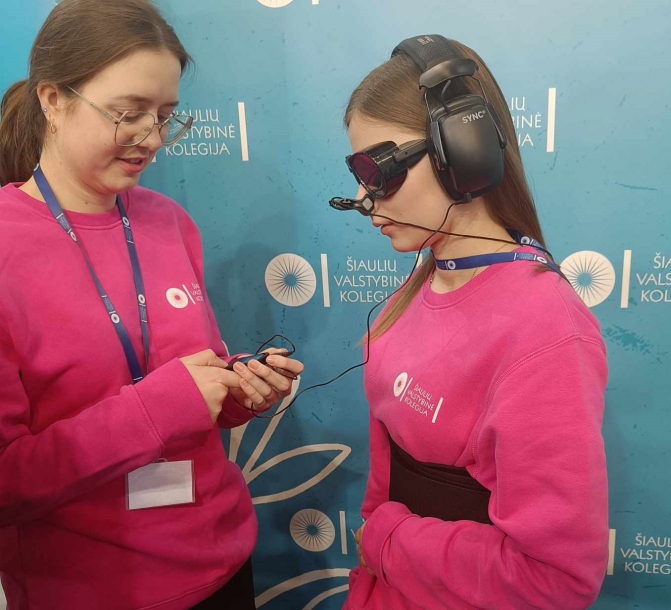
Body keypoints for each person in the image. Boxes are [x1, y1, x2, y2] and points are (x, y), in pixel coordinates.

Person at [0, 1, 303, 608]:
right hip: (93, 591)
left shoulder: (169, 223)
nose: (154, 139)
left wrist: (237, 389)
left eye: (165, 116)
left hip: (222, 568)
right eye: (129, 114)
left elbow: (190, 380)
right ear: (52, 100)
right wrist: (158, 409)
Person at [337, 35, 609, 610]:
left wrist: (387, 542)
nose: (364, 197)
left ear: (464, 152)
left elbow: (556, 580)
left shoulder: (546, 334)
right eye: (357, 171)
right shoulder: (411, 293)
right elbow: (385, 489)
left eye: (380, 169)